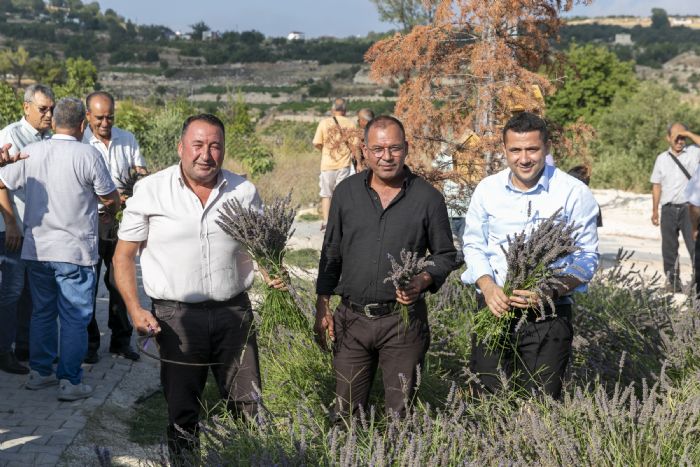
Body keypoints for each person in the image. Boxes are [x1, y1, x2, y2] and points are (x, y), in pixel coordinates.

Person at [112, 114, 284, 461]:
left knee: (249, 408)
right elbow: (123, 257)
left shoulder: (244, 191)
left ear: (223, 150)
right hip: (176, 319)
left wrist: (270, 269)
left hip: (234, 314)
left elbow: (260, 246)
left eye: (215, 146)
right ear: (181, 147)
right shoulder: (151, 191)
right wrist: (134, 308)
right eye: (198, 145)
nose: (206, 154)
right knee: (182, 412)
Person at [314, 115, 459, 419]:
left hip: (402, 323)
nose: (386, 157)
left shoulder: (428, 198)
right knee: (345, 412)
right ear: (364, 151)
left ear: (406, 149)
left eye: (394, 148)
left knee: (400, 414)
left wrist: (422, 279)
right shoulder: (346, 193)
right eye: (378, 149)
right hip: (351, 321)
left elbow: (446, 254)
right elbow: (331, 252)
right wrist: (322, 304)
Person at [461, 112, 599, 399]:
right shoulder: (487, 190)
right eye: (515, 150)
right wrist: (487, 287)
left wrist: (548, 290)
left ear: (546, 148)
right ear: (505, 151)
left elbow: (587, 259)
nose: (524, 158)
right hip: (493, 309)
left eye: (532, 149)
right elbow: (473, 245)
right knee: (488, 402)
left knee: (538, 406)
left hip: (548, 315)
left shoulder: (574, 193)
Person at [0, 97, 119, 400]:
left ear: (54, 123)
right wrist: (110, 207)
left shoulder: (31, 152)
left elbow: (3, 182)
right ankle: (70, 381)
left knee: (42, 312)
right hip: (75, 252)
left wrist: (12, 220)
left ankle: (40, 374)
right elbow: (109, 197)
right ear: (83, 125)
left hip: (38, 249)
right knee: (74, 316)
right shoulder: (88, 155)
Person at [83, 91, 148, 364]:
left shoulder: (127, 139)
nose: (105, 123)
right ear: (87, 116)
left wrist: (133, 189)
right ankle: (89, 345)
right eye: (99, 118)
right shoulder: (80, 141)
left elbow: (141, 174)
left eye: (110, 117)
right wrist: (106, 198)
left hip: (122, 222)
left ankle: (121, 342)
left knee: (120, 282)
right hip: (91, 221)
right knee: (88, 283)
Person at [0, 84, 55, 374]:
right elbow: (0, 182)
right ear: (26, 107)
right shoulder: (11, 136)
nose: (49, 114)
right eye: (43, 109)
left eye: (51, 109)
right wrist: (10, 223)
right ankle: (4, 351)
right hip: (13, 227)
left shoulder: (47, 137)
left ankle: (24, 345)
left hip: (35, 229)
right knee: (11, 290)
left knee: (28, 292)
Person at [650, 123, 700, 292]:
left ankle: (697, 281)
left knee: (694, 246)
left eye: (682, 137)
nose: (680, 141)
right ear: (668, 138)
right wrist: (655, 210)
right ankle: (673, 282)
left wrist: (687, 132)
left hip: (689, 210)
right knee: (669, 248)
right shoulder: (661, 159)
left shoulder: (693, 153)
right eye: (676, 137)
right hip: (668, 209)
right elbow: (656, 186)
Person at [313, 97, 357, 229]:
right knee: (340, 194)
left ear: (333, 110)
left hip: (327, 165)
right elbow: (355, 146)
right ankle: (339, 222)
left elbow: (317, 143)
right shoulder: (350, 123)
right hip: (344, 164)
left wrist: (325, 151)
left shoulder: (324, 123)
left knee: (326, 194)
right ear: (345, 110)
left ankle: (326, 222)